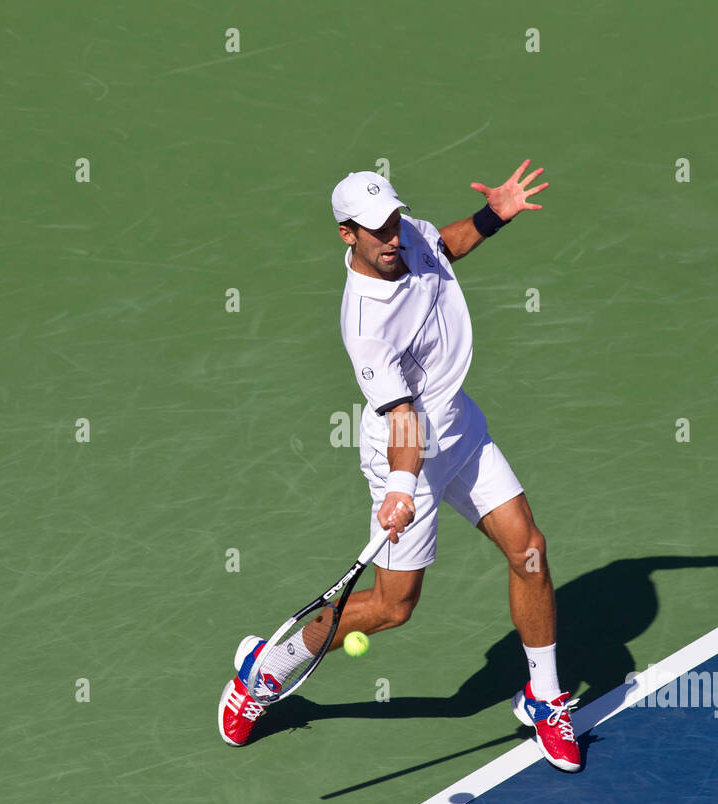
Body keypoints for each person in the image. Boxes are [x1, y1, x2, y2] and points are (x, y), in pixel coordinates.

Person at [218, 161, 581, 772]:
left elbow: (447, 246)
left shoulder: (405, 233)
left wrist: (495, 214)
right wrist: (402, 486)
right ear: (346, 234)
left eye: (392, 221)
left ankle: (543, 698)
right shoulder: (364, 323)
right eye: (376, 230)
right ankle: (268, 670)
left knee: (530, 550)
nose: (392, 237)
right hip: (403, 450)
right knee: (392, 607)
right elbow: (404, 418)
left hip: (459, 426)